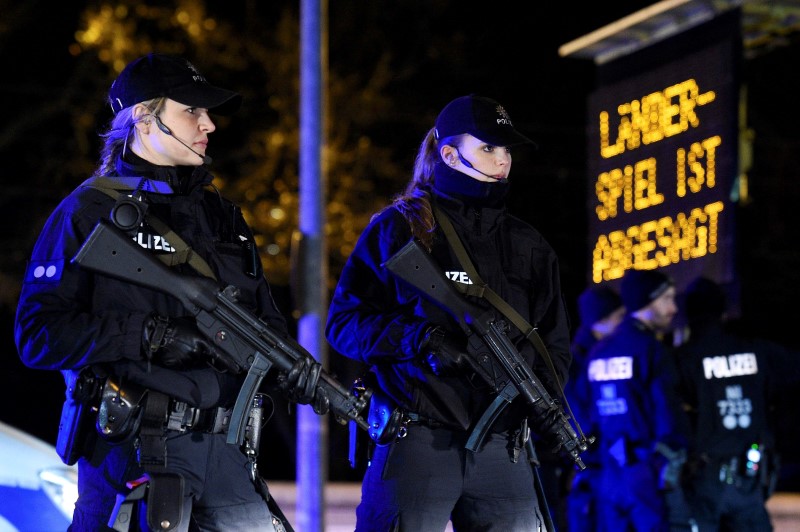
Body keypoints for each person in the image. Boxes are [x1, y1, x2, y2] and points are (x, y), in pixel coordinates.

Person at [14, 53, 328, 532]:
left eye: (208, 113)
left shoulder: (223, 217)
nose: (209, 125)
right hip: (136, 457)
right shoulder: (86, 212)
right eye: (192, 112)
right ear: (144, 117)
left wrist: (292, 373)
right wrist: (151, 335)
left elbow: (266, 324)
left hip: (229, 459)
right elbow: (39, 335)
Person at [325, 93, 574, 532]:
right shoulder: (401, 227)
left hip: (504, 447)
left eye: (506, 149)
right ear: (449, 154)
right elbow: (344, 325)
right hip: (419, 441)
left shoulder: (528, 244)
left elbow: (554, 343)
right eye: (488, 147)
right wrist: (419, 340)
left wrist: (540, 402)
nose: (503, 160)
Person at [674, 276, 800, 531]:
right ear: (723, 311)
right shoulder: (756, 350)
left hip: (703, 479)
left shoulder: (682, 359)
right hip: (750, 475)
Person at [584, 269, 689, 531]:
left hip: (608, 474)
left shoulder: (599, 351)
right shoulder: (651, 350)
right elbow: (669, 414)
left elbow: (584, 413)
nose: (673, 308)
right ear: (646, 301)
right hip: (648, 472)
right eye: (666, 299)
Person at [561, 285, 624, 532]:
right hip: (592, 465)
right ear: (600, 321)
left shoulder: (590, 355)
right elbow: (579, 417)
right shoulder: (579, 362)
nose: (622, 324)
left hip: (596, 462)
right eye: (618, 317)